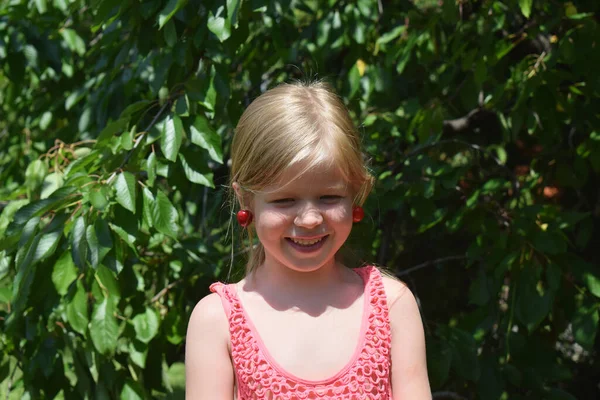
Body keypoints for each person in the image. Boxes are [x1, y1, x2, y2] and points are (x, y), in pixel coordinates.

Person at [185, 81, 431, 399]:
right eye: (285, 201)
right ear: (246, 200)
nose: (310, 219)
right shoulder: (217, 322)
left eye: (329, 197)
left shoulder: (392, 306)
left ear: (356, 193)